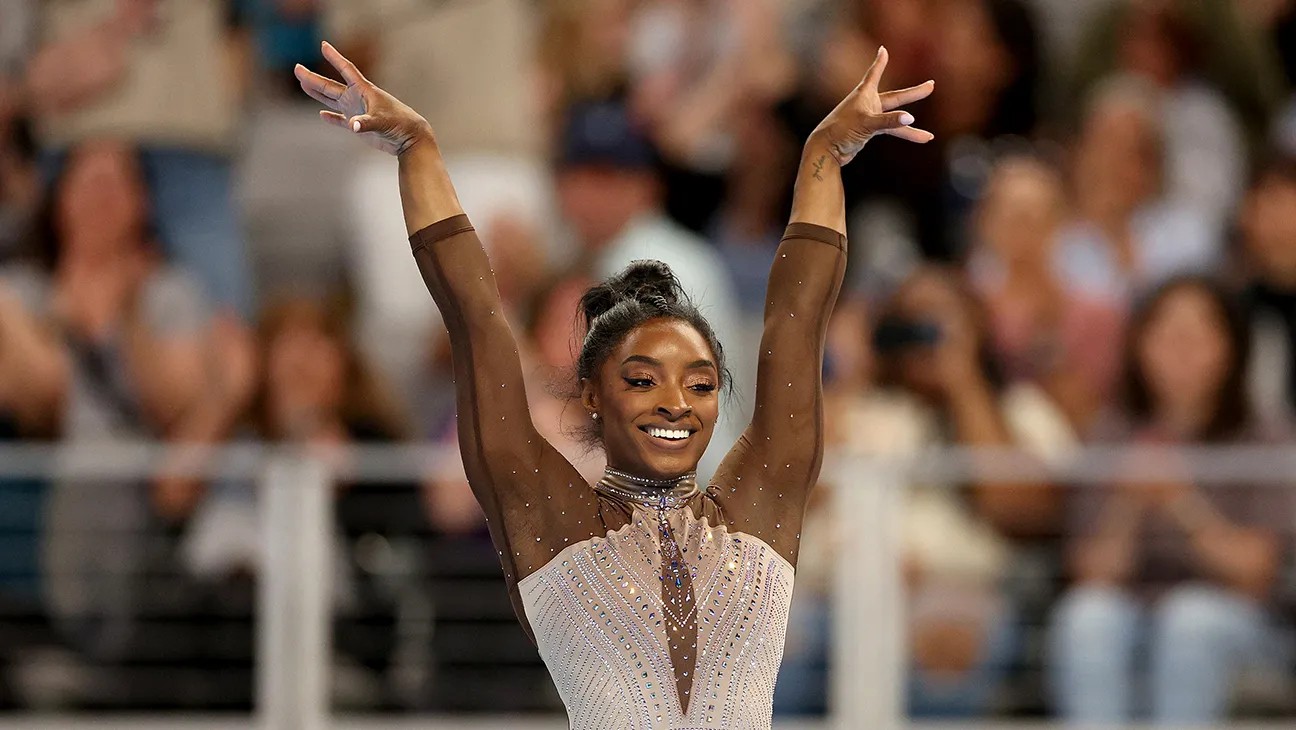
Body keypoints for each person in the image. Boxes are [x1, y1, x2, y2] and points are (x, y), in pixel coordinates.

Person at [295, 40, 934, 727]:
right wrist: (417, 149)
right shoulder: (553, 527)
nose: (675, 404)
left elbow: (798, 319)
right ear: (592, 394)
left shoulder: (756, 515)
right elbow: (477, 320)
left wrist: (821, 156)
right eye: (642, 379)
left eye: (700, 384)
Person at [1047, 276, 1294, 724]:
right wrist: (1128, 502)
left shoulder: (1266, 436)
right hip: (1131, 610)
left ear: (1232, 347)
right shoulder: (1111, 431)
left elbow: (1256, 573)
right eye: (1165, 335)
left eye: (1198, 336)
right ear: (1139, 346)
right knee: (1086, 618)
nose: (1181, 351)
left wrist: (1182, 501)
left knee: (1190, 620)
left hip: (1241, 623)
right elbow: (1092, 574)